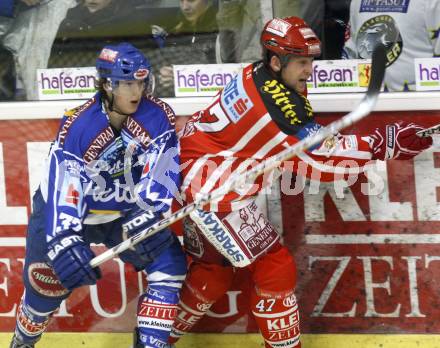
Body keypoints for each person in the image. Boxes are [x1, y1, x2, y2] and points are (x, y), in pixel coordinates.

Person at [168, 17, 433, 347]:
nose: (310, 70)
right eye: (302, 63)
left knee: (213, 271)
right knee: (275, 267)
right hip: (214, 191)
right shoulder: (280, 109)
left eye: (311, 61)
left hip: (191, 174)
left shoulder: (258, 74)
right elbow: (320, 162)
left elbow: (308, 138)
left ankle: (155, 338)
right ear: (276, 61)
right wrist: (384, 142)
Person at [9, 43, 186, 348]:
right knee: (42, 294)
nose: (137, 91)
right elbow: (63, 188)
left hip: (123, 214)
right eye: (128, 84)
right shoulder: (78, 127)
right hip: (71, 215)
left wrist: (150, 209)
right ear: (107, 84)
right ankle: (22, 342)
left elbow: (163, 167)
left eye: (141, 82)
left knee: (169, 266)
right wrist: (63, 239)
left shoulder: (158, 116)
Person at [342, 0, 440, 91]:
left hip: (421, 101)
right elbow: (351, 51)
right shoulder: (357, 2)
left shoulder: (431, 2)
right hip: (366, 99)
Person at [151, 0, 219, 96]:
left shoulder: (220, 31)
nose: (185, 7)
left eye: (191, 0)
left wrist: (182, 77)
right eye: (181, 1)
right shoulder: (174, 30)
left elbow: (223, 71)